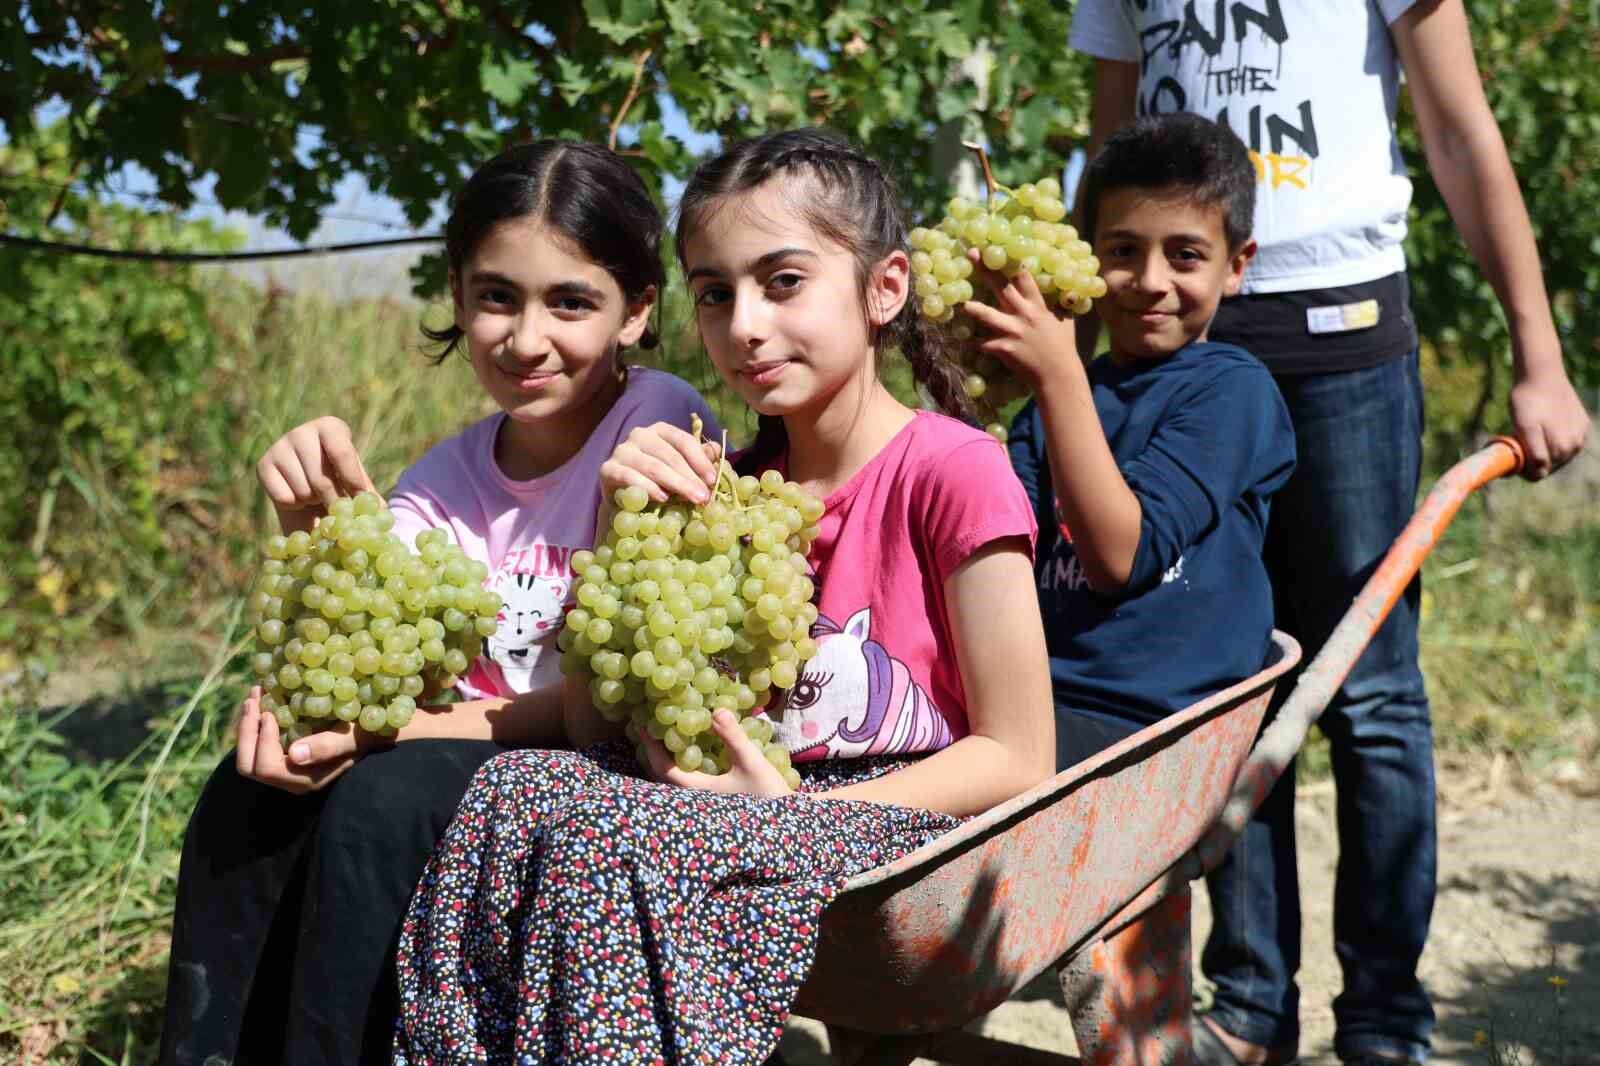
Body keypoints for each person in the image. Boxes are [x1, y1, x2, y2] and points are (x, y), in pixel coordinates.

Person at [389, 127, 1057, 1065]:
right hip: (749, 800)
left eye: (783, 282)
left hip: (903, 827)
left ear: (885, 288)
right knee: (507, 794)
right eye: (714, 292)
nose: (742, 324)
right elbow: (594, 727)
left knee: (603, 848)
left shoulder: (954, 468)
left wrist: (787, 816)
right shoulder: (724, 492)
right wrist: (621, 540)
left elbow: (1022, 752)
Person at [1066, 2, 1593, 1063]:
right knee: (1229, 683)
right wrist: (1071, 358)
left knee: (1371, 685)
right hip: (1182, 339)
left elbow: (1458, 129)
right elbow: (1110, 152)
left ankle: (1383, 1021)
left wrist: (1536, 353)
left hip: (1340, 332)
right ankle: (1251, 1006)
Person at [158, 139, 717, 1066]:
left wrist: (386, 737)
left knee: (387, 800)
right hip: (459, 751)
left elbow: (601, 712)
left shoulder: (655, 422)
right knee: (246, 798)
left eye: (570, 301)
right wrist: (318, 549)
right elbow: (383, 666)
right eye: (497, 296)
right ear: (458, 296)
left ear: (637, 312)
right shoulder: (441, 480)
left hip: (607, 765)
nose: (525, 338)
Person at [995, 114, 1295, 771]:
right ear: (1090, 256)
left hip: (1152, 728)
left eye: (1185, 255)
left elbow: (1119, 558)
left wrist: (1056, 374)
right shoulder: (1051, 407)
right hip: (1034, 708)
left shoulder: (1233, 392)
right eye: (1124, 251)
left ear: (1236, 267)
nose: (1152, 280)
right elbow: (998, 559)